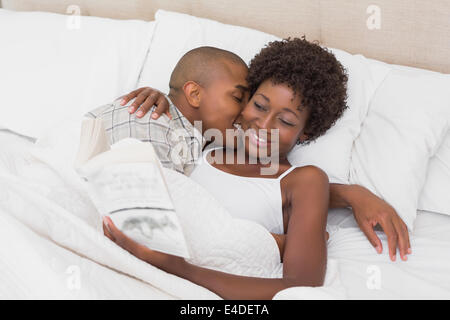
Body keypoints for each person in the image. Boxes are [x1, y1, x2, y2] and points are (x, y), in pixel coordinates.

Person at [102, 38, 409, 299]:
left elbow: (299, 288)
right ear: (245, 101)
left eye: (286, 121)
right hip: (126, 259)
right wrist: (162, 100)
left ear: (305, 132)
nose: (264, 124)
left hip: (183, 280)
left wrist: (176, 267)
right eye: (259, 106)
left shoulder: (304, 181)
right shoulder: (209, 140)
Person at [86, 46, 249, 175]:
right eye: (238, 98)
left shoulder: (193, 139)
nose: (247, 112)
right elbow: (145, 206)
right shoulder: (151, 123)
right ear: (194, 94)